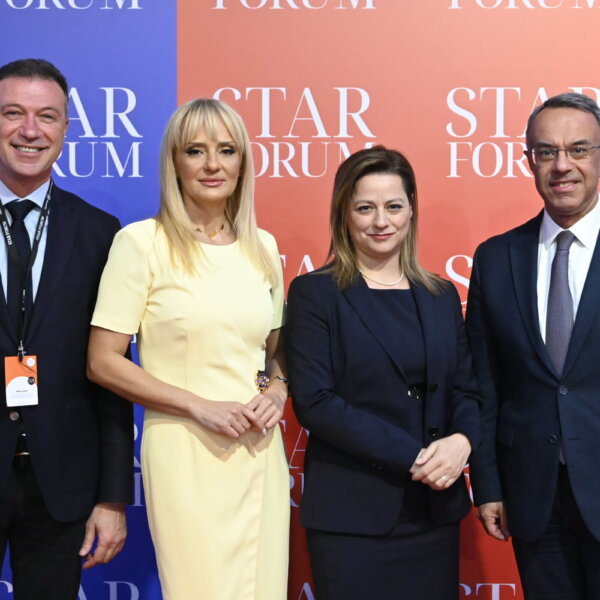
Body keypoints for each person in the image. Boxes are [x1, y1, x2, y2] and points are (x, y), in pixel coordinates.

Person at [87, 98, 290, 600]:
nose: (212, 165)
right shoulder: (141, 243)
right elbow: (102, 361)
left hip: (259, 451)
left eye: (226, 150)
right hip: (184, 450)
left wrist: (277, 392)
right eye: (195, 151)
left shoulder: (263, 247)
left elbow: (276, 352)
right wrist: (200, 406)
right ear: (174, 163)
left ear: (243, 162)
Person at [284, 146, 481, 600]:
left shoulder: (440, 295)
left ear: (411, 209)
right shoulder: (316, 293)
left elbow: (466, 391)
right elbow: (315, 402)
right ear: (344, 213)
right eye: (365, 208)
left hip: (433, 513)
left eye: (393, 206)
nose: (380, 221)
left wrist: (462, 441)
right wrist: (415, 457)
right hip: (352, 518)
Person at [0, 58, 133, 599]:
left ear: (65, 130)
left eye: (47, 116)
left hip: (61, 485)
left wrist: (113, 497)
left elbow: (113, 373)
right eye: (13, 113)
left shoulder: (101, 233)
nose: (30, 130)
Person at [466, 92, 600, 599]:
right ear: (529, 161)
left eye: (578, 149)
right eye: (546, 152)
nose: (562, 165)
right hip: (533, 496)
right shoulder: (497, 258)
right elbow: (483, 383)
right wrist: (489, 485)